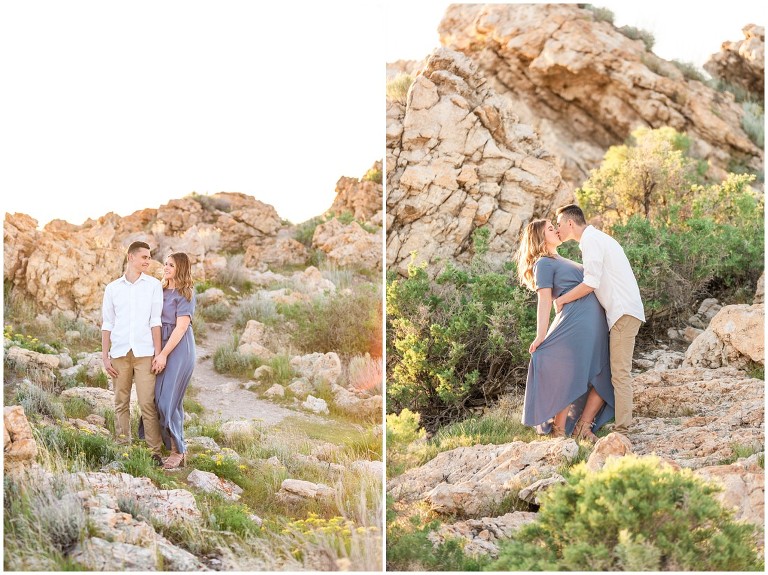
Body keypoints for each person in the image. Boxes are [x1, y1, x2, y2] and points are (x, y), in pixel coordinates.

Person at [516, 219, 614, 441]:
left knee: (603, 373)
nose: (556, 230)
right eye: (550, 229)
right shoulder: (543, 263)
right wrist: (541, 335)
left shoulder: (560, 259)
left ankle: (583, 427)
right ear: (541, 238)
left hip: (594, 322)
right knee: (571, 374)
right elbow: (544, 301)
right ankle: (559, 431)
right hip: (576, 323)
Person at [554, 204, 645, 435]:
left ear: (570, 223)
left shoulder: (592, 241)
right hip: (622, 312)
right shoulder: (596, 238)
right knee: (616, 370)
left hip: (623, 312)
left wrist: (562, 299)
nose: (557, 229)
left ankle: (623, 430)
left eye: (559, 224)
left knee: (620, 372)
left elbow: (591, 282)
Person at [102, 241, 164, 465]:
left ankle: (154, 452)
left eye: (149, 257)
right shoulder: (112, 288)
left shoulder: (154, 286)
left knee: (147, 403)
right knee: (121, 401)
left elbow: (155, 321)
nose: (148, 261)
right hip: (119, 353)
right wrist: (105, 356)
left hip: (145, 353)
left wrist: (159, 354)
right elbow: (107, 324)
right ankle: (122, 447)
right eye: (144, 257)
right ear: (130, 257)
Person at [140, 252, 196, 470]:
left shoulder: (185, 293)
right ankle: (162, 443)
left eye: (171, 265)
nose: (166, 267)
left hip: (178, 348)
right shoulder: (160, 289)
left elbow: (181, 327)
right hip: (158, 345)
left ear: (180, 268)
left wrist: (163, 354)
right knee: (155, 398)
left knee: (168, 400)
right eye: (165, 264)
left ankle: (178, 451)